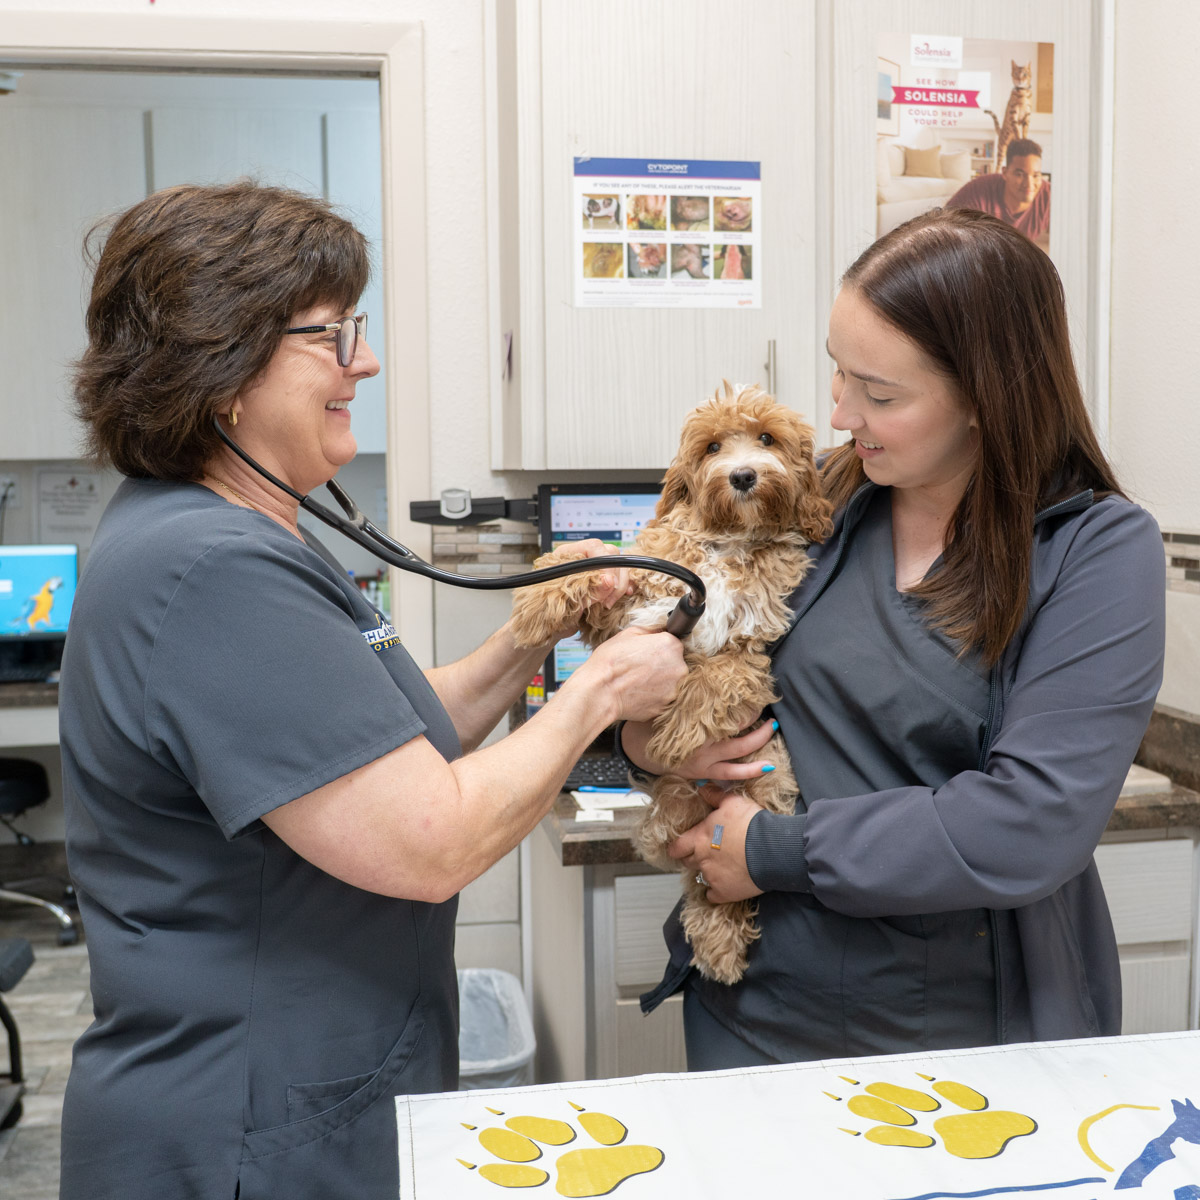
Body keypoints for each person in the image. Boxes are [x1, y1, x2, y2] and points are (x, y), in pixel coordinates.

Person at [57, 181, 686, 1199]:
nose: (367, 360)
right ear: (224, 365)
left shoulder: (220, 532)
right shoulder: (213, 569)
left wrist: (529, 635)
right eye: (332, 334)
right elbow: (428, 837)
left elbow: (357, 741)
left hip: (292, 1091)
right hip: (250, 1123)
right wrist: (605, 686)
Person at [624, 206, 1165, 1070]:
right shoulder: (829, 500)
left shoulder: (1093, 550)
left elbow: (1033, 819)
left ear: (988, 396)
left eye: (879, 394)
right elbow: (697, 646)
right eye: (839, 376)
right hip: (750, 1001)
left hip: (950, 1035)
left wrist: (770, 849)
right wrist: (655, 744)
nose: (841, 414)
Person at [946, 137, 1050, 244]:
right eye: (1019, 174)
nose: (1029, 184)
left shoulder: (1048, 195)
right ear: (1005, 173)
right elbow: (944, 231)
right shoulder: (977, 192)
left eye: (1036, 175)